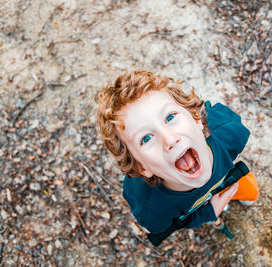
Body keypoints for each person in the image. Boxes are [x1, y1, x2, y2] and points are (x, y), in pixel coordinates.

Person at [96, 70, 258, 236]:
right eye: (146, 138)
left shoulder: (230, 131)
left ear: (196, 118)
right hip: (196, 207)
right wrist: (209, 213)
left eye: (170, 117)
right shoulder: (150, 207)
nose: (170, 139)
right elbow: (170, 225)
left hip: (229, 178)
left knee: (251, 191)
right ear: (142, 167)